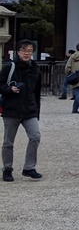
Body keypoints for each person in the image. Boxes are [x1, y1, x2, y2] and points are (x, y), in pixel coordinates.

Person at [1, 39, 43, 180]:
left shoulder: (35, 69)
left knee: (35, 136)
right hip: (11, 109)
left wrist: (37, 111)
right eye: (24, 50)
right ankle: (7, 169)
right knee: (8, 142)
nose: (27, 53)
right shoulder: (9, 67)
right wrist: (9, 89)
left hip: (29, 109)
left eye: (30, 51)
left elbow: (36, 92)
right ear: (18, 51)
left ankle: (29, 167)